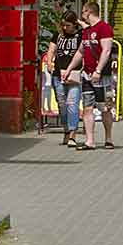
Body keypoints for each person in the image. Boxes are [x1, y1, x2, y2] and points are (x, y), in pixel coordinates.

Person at [62, 2, 115, 151]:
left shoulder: (104, 28)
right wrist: (69, 68)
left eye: (83, 12)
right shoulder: (86, 31)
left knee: (105, 108)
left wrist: (98, 70)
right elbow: (80, 52)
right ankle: (89, 141)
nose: (82, 15)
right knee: (87, 108)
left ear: (88, 12)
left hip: (102, 75)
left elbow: (106, 51)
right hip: (87, 75)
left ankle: (108, 138)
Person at [47, 11, 82, 147]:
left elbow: (89, 30)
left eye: (68, 25)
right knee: (62, 104)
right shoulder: (58, 35)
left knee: (72, 104)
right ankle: (66, 129)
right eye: (63, 25)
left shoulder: (80, 35)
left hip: (74, 75)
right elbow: (51, 50)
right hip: (58, 74)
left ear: (74, 24)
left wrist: (80, 22)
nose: (65, 28)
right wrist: (50, 62)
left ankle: (73, 134)